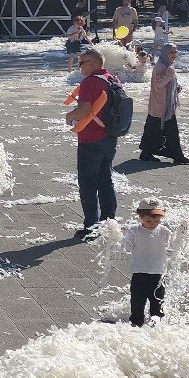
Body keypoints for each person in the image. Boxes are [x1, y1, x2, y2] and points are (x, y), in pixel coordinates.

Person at [66, 48, 122, 238]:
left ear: (92, 63)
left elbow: (83, 111)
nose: (79, 66)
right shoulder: (112, 79)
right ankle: (109, 221)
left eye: (81, 63)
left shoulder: (90, 82)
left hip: (91, 139)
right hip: (109, 136)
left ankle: (91, 227)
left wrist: (69, 116)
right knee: (105, 179)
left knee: (88, 183)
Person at [122, 198, 177, 327]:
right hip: (139, 273)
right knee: (137, 303)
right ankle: (136, 323)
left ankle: (156, 322)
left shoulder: (164, 231)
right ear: (140, 216)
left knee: (157, 302)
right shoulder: (134, 230)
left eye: (157, 221)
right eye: (149, 221)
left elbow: (174, 246)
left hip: (158, 273)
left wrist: (182, 233)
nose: (153, 224)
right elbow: (127, 248)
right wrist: (124, 237)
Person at [139, 43, 189, 165]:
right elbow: (158, 85)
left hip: (163, 105)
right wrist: (169, 75)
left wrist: (175, 88)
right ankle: (177, 156)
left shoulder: (167, 65)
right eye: (171, 52)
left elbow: (166, 83)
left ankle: (146, 153)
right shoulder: (161, 66)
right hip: (161, 105)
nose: (174, 55)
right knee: (170, 131)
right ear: (165, 53)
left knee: (154, 129)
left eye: (175, 52)